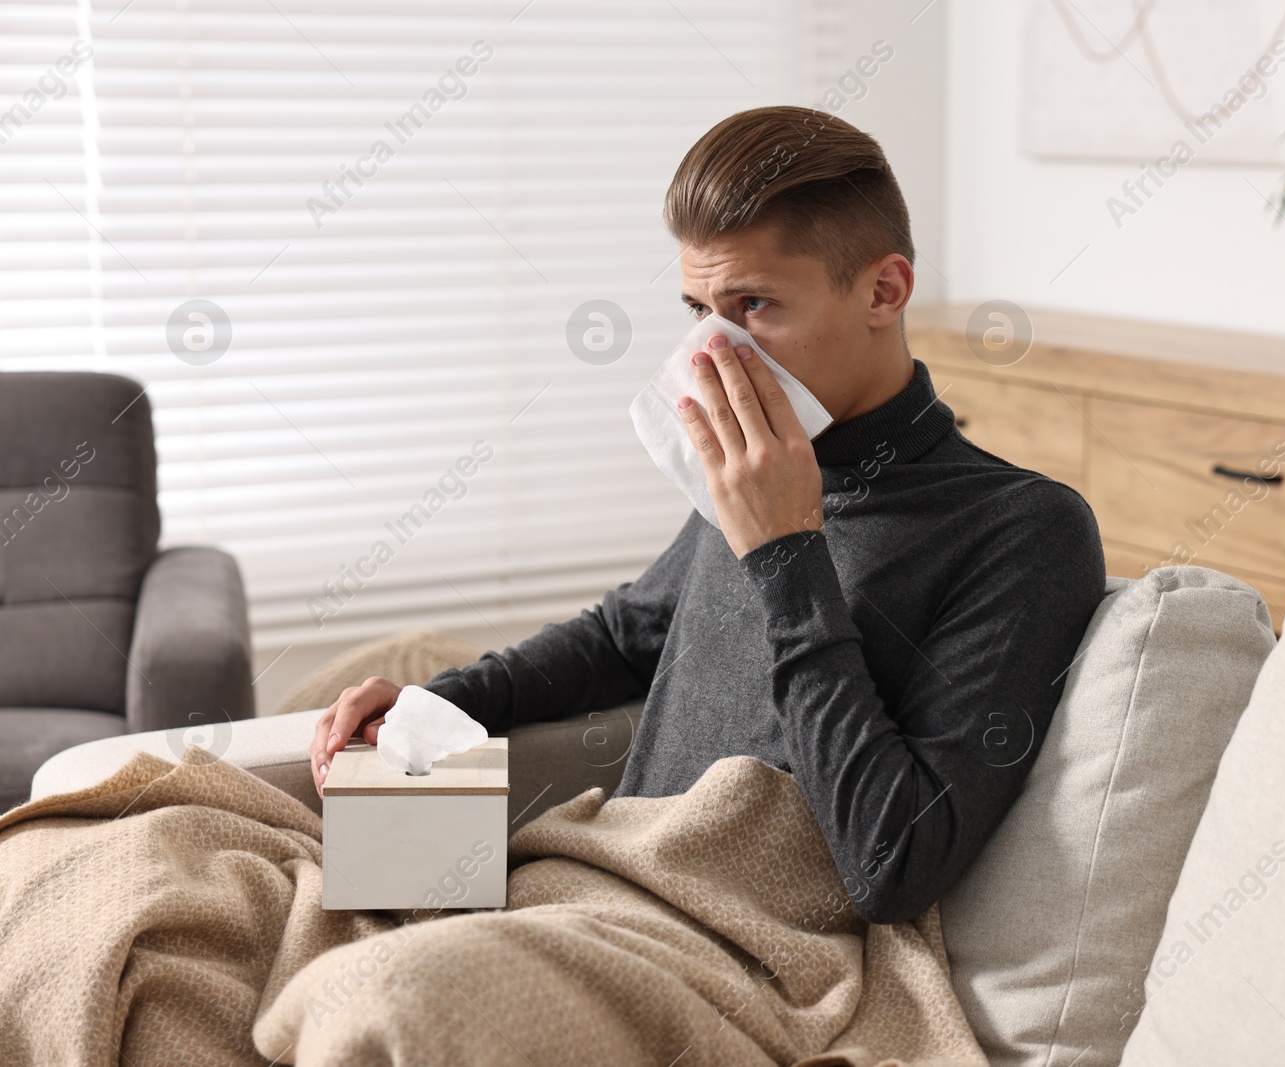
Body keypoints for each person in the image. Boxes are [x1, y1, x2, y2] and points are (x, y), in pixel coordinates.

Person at [310, 105, 1105, 924]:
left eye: (754, 304)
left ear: (883, 290)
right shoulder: (761, 465)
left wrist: (786, 553)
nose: (712, 355)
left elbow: (893, 862)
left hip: (734, 950)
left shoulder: (1021, 529)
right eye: (699, 311)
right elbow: (626, 635)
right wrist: (436, 702)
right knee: (189, 843)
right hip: (594, 886)